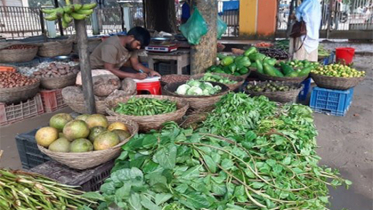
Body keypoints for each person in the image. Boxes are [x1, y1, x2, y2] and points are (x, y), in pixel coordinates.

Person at [90, 27, 161, 80]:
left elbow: (136, 64)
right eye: (138, 44)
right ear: (131, 37)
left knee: (141, 76)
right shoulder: (111, 46)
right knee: (131, 79)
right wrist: (134, 76)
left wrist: (150, 71)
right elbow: (109, 69)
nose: (138, 48)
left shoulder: (131, 46)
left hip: (115, 69)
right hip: (96, 70)